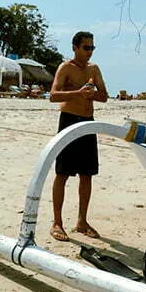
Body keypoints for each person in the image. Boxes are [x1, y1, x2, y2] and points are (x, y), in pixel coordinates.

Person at [48, 31, 108, 242]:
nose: (89, 52)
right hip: (68, 120)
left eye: (92, 48)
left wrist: (92, 94)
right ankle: (57, 222)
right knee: (62, 173)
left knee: (87, 174)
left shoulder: (94, 69)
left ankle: (82, 221)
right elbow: (53, 96)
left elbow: (104, 97)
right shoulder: (66, 68)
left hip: (87, 121)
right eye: (86, 48)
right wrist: (77, 93)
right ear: (75, 47)